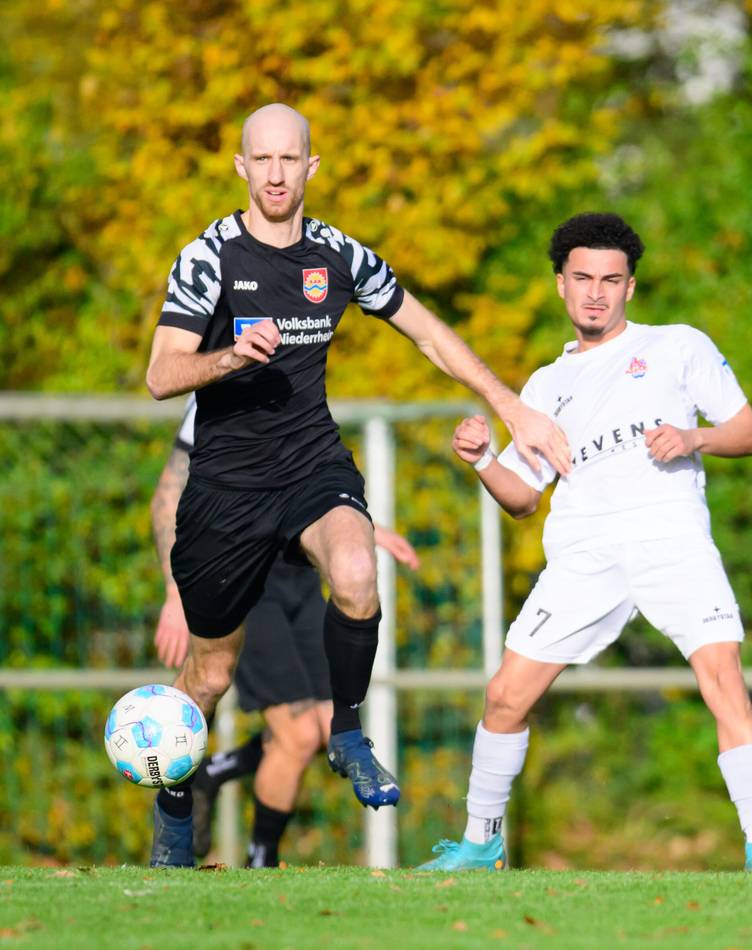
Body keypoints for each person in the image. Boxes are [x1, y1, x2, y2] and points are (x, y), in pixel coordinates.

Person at [144, 102, 571, 868]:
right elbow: (159, 373)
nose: (277, 174)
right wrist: (231, 357)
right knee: (208, 674)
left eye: (290, 160)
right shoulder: (207, 257)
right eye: (262, 160)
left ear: (311, 166)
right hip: (227, 491)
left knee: (353, 570)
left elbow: (427, 332)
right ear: (242, 168)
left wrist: (509, 405)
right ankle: (175, 797)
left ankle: (346, 731)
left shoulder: (339, 255)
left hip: (310, 464)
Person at [418, 212, 752, 875]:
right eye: (583, 278)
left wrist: (694, 438)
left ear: (630, 289)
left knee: (724, 682)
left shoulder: (679, 346)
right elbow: (524, 499)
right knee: (505, 696)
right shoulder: (543, 387)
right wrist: (480, 460)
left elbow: (749, 432)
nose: (596, 292)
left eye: (610, 281)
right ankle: (480, 843)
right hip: (584, 556)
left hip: (671, 539)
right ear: (561, 284)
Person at [151, 396, 419, 867]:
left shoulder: (300, 374)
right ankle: (261, 863)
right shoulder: (214, 392)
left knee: (325, 731)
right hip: (243, 581)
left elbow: (309, 487)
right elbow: (167, 497)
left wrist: (363, 533)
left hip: (299, 579)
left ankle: (215, 772)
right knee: (295, 733)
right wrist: (175, 593)